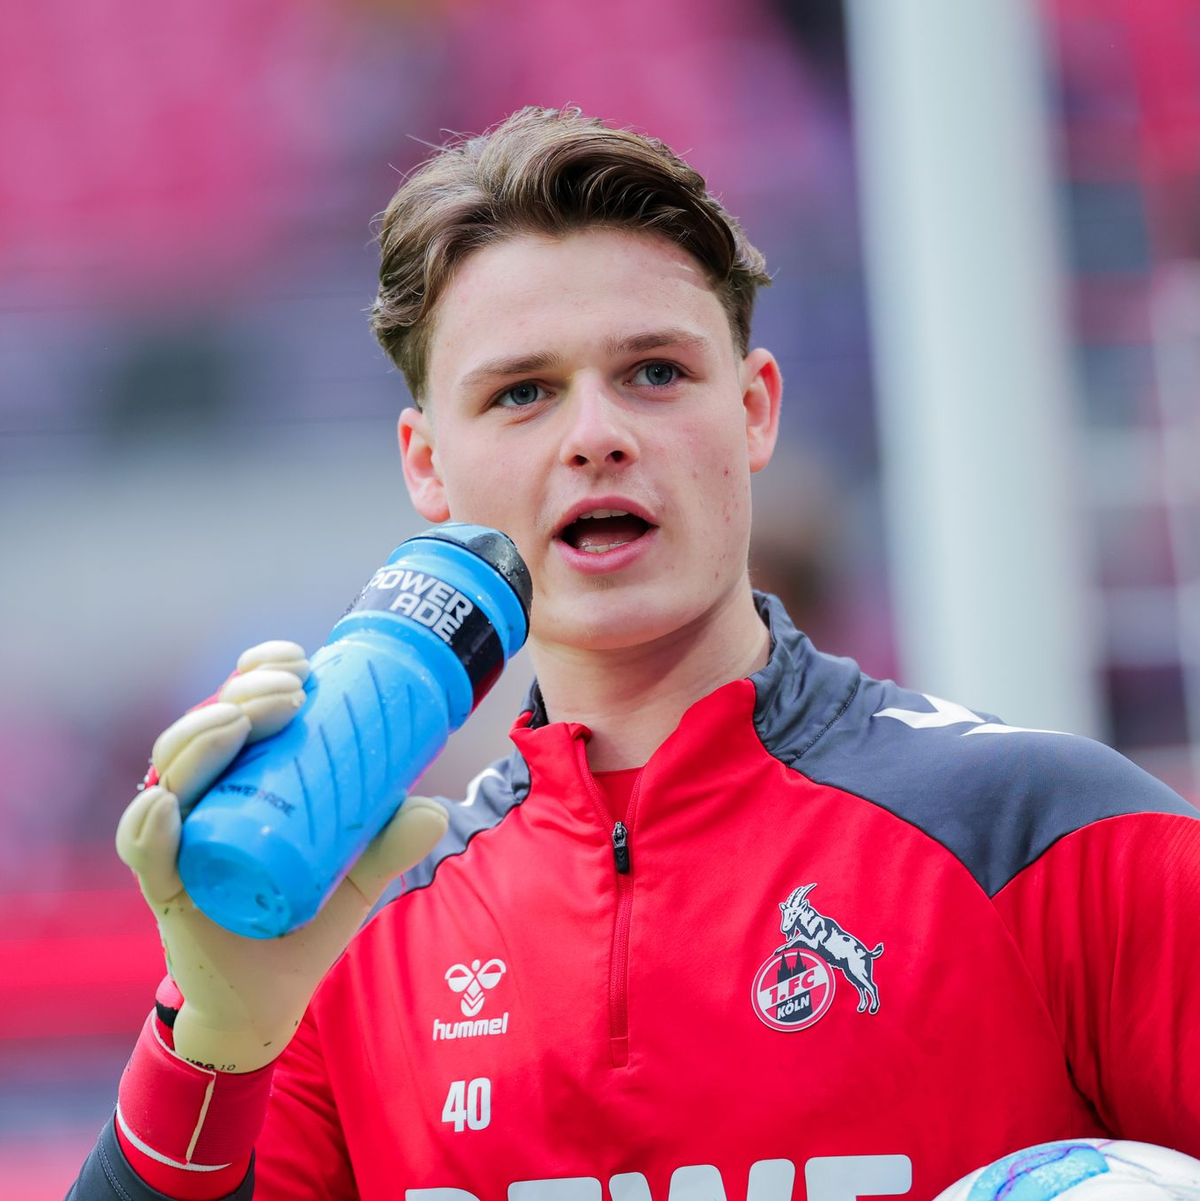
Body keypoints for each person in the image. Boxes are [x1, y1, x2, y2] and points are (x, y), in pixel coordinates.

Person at [71, 107, 1200, 1201]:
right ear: (427, 467)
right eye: (522, 393)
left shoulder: (1047, 836)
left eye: (655, 372)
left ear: (755, 411)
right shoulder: (348, 936)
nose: (595, 433)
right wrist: (206, 1050)